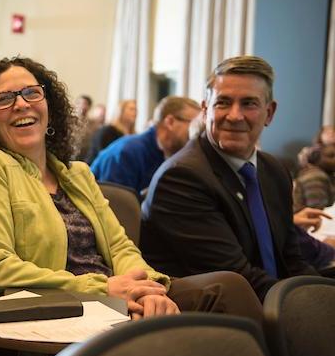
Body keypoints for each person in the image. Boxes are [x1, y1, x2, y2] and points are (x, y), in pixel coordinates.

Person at [0, 56, 263, 325]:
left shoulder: (77, 173)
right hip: (63, 305)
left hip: (116, 295)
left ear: (50, 108)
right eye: (5, 99)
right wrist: (103, 289)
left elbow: (120, 248)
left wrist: (148, 288)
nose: (21, 103)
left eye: (32, 93)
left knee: (228, 287)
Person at [140, 55, 318, 301]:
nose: (235, 116)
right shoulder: (182, 178)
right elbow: (238, 279)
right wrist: (308, 305)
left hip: (270, 301)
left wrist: (320, 297)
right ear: (205, 110)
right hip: (216, 319)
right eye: (223, 102)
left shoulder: (274, 171)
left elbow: (292, 260)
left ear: (269, 113)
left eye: (249, 103)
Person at [90, 96, 200, 197]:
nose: (198, 132)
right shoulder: (127, 152)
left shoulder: (171, 154)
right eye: (194, 124)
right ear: (170, 122)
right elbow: (117, 209)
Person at [85, 99, 137, 164]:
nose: (135, 112)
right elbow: (103, 156)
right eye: (131, 109)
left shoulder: (134, 135)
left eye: (136, 109)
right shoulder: (107, 131)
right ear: (121, 111)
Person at [293, 143, 335, 211]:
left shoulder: (326, 175)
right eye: (331, 156)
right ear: (316, 158)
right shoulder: (315, 177)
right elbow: (316, 210)